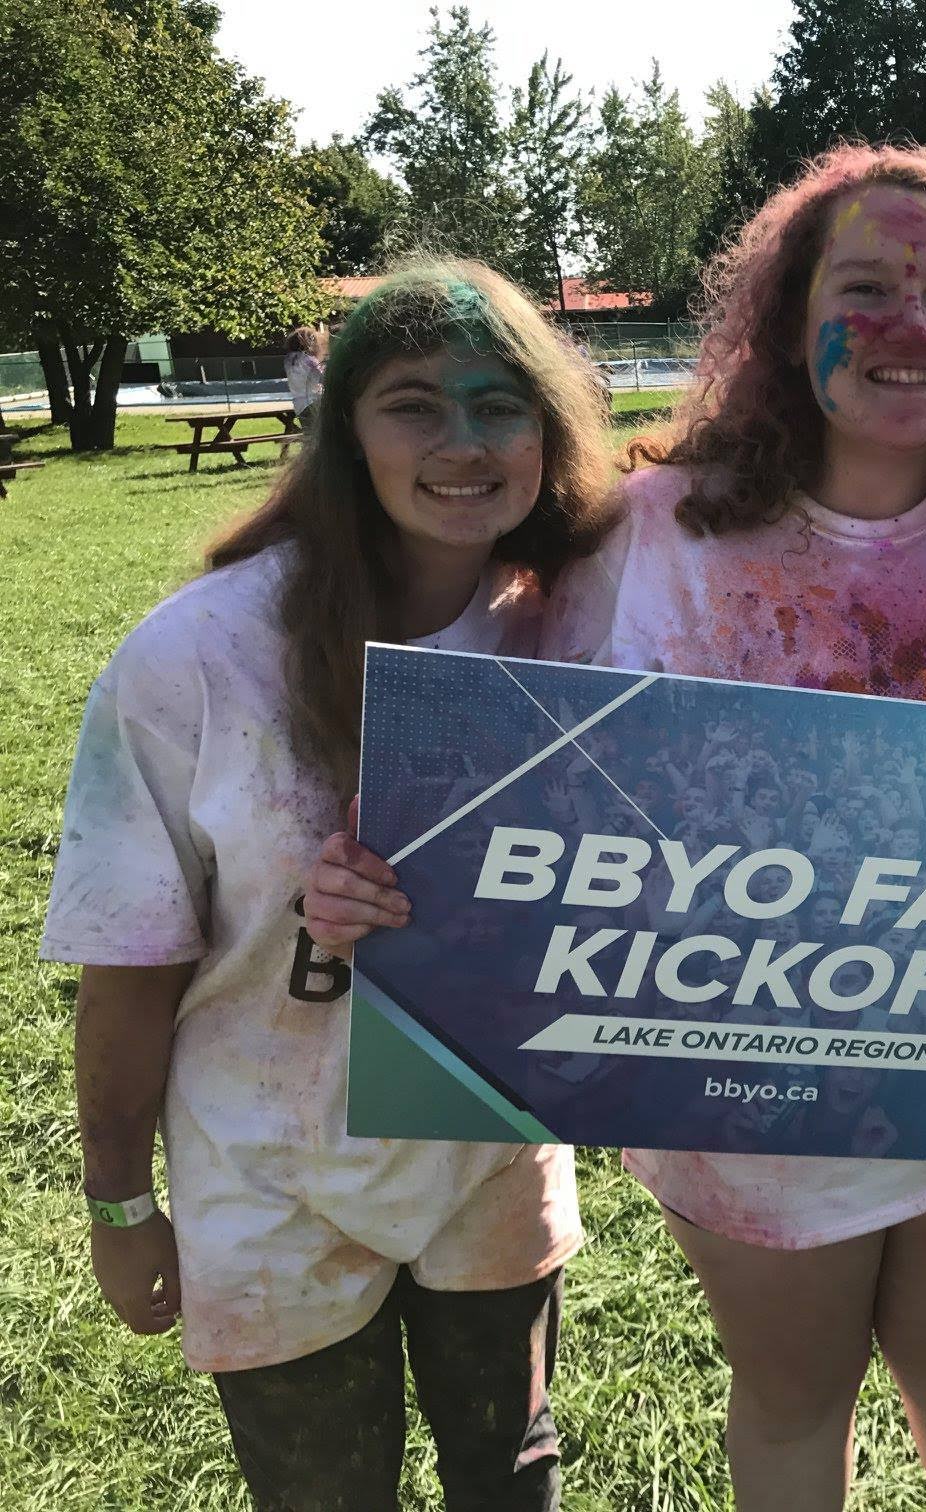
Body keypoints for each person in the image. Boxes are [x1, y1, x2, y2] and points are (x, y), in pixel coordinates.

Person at [303, 145, 926, 1512]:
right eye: (864, 285)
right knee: (792, 1402)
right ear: (784, 319)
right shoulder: (648, 535)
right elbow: (494, 771)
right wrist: (375, 860)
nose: (908, 324)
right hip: (733, 1090)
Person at [42, 260, 611, 1509]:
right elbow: (130, 959)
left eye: (498, 402)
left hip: (485, 1151)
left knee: (510, 1475)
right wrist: (120, 1200)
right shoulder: (197, 656)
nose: (462, 442)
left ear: (547, 429)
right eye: (414, 404)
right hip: (268, 1164)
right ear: (345, 431)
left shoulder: (581, 632)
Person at [282, 324, 325, 417]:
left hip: (298, 405)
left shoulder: (289, 360)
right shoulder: (309, 360)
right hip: (313, 401)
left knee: (308, 430)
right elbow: (324, 377)